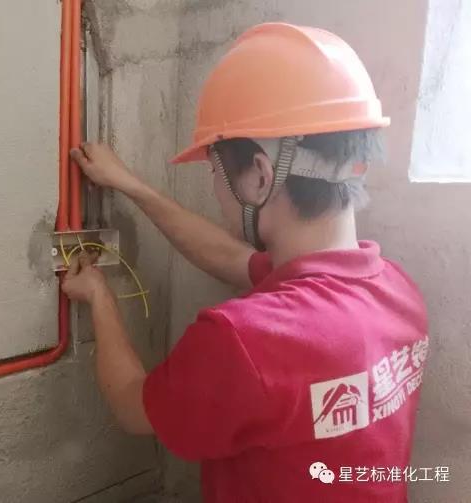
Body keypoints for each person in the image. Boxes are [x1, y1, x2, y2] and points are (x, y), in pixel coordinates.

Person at [63, 22, 428, 502]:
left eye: (215, 170)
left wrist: (99, 298)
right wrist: (131, 185)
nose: (216, 189)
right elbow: (234, 259)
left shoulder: (243, 339)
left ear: (260, 174)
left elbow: (134, 406)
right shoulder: (398, 292)